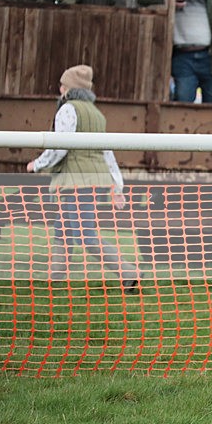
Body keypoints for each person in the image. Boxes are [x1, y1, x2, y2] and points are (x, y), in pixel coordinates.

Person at [26, 65, 139, 293]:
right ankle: (55, 280)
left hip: (78, 181)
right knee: (64, 230)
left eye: (63, 85)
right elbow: (108, 152)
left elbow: (60, 146)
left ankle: (128, 273)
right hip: (86, 180)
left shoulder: (68, 110)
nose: (59, 89)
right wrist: (117, 185)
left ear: (69, 89)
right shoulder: (96, 114)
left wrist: (37, 164)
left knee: (85, 236)